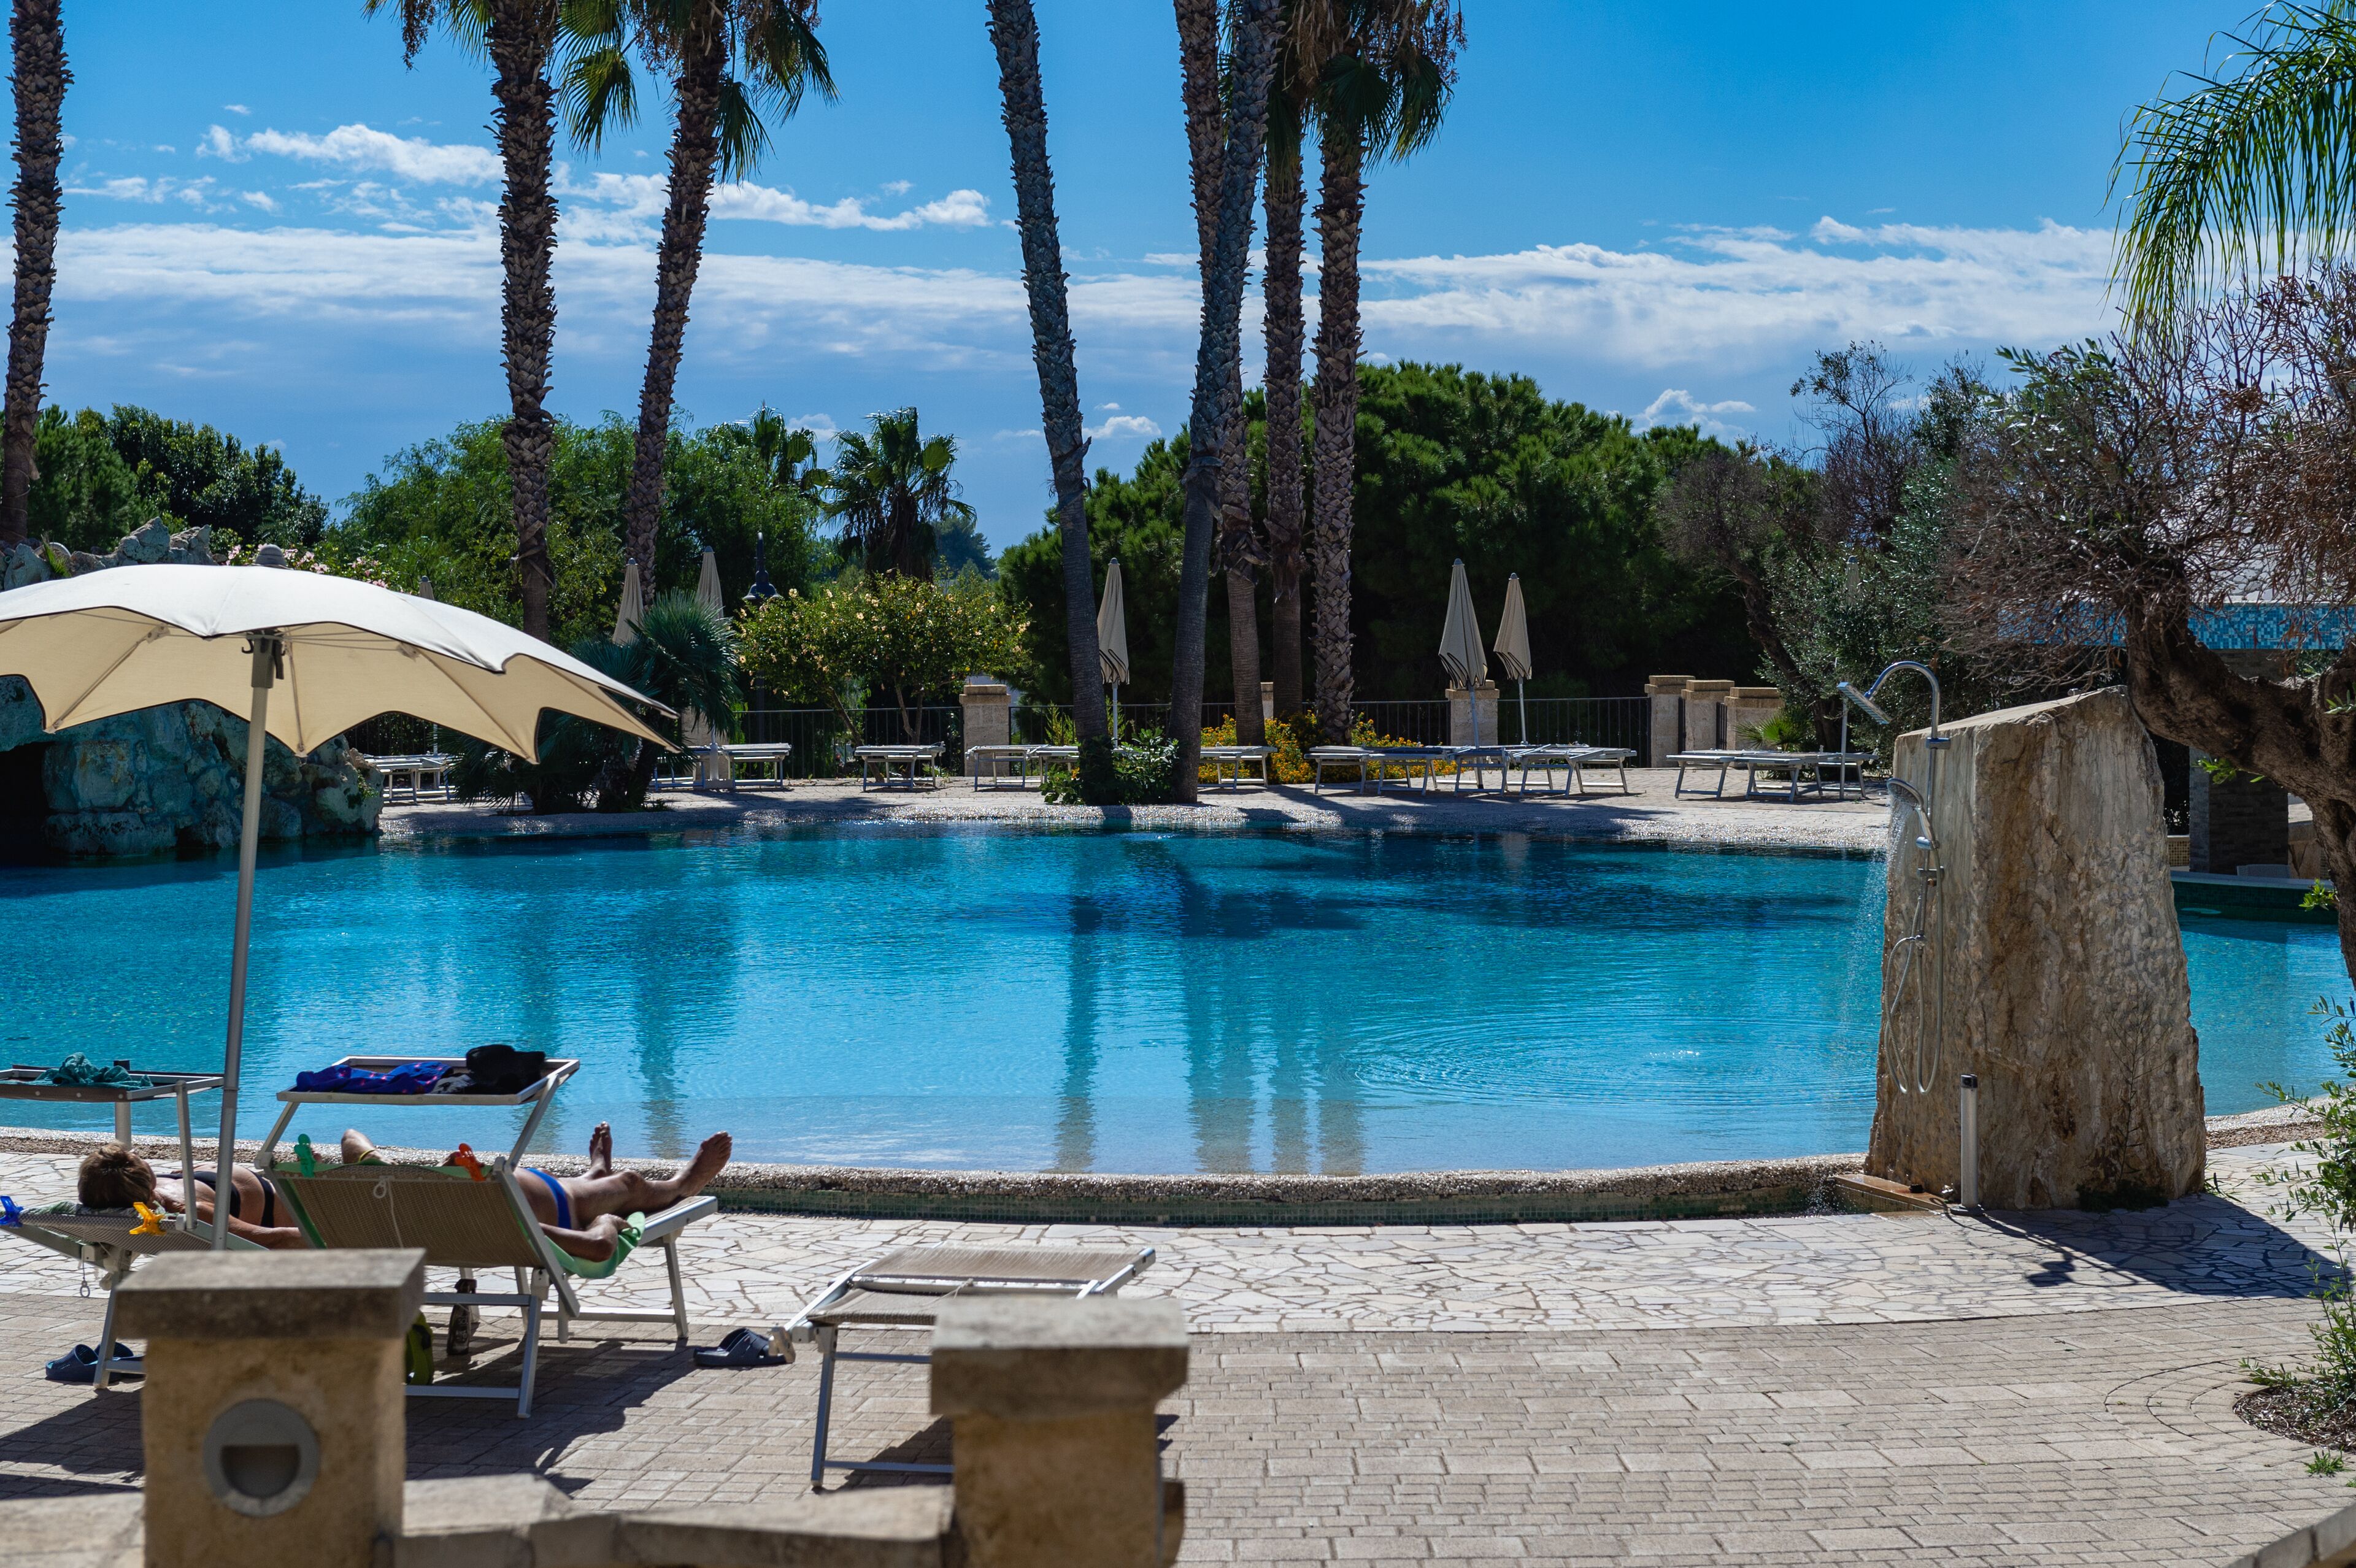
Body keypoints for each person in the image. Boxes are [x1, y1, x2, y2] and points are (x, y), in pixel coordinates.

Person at [338, 1122, 731, 1263]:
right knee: (628, 1183)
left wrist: (387, 1167)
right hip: (566, 1206)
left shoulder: (400, 1210)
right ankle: (682, 1185)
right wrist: (607, 1222)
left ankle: (595, 1172)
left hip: (535, 1190)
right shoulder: (510, 1226)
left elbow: (350, 1137)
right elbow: (600, 1248)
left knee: (593, 1181)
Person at [76, 1143, 308, 1250]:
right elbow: (273, 1240)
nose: (136, 1152)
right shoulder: (191, 1214)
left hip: (226, 1184)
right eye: (136, 1158)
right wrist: (325, 1240)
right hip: (283, 1206)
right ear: (146, 1183)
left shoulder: (116, 1195)